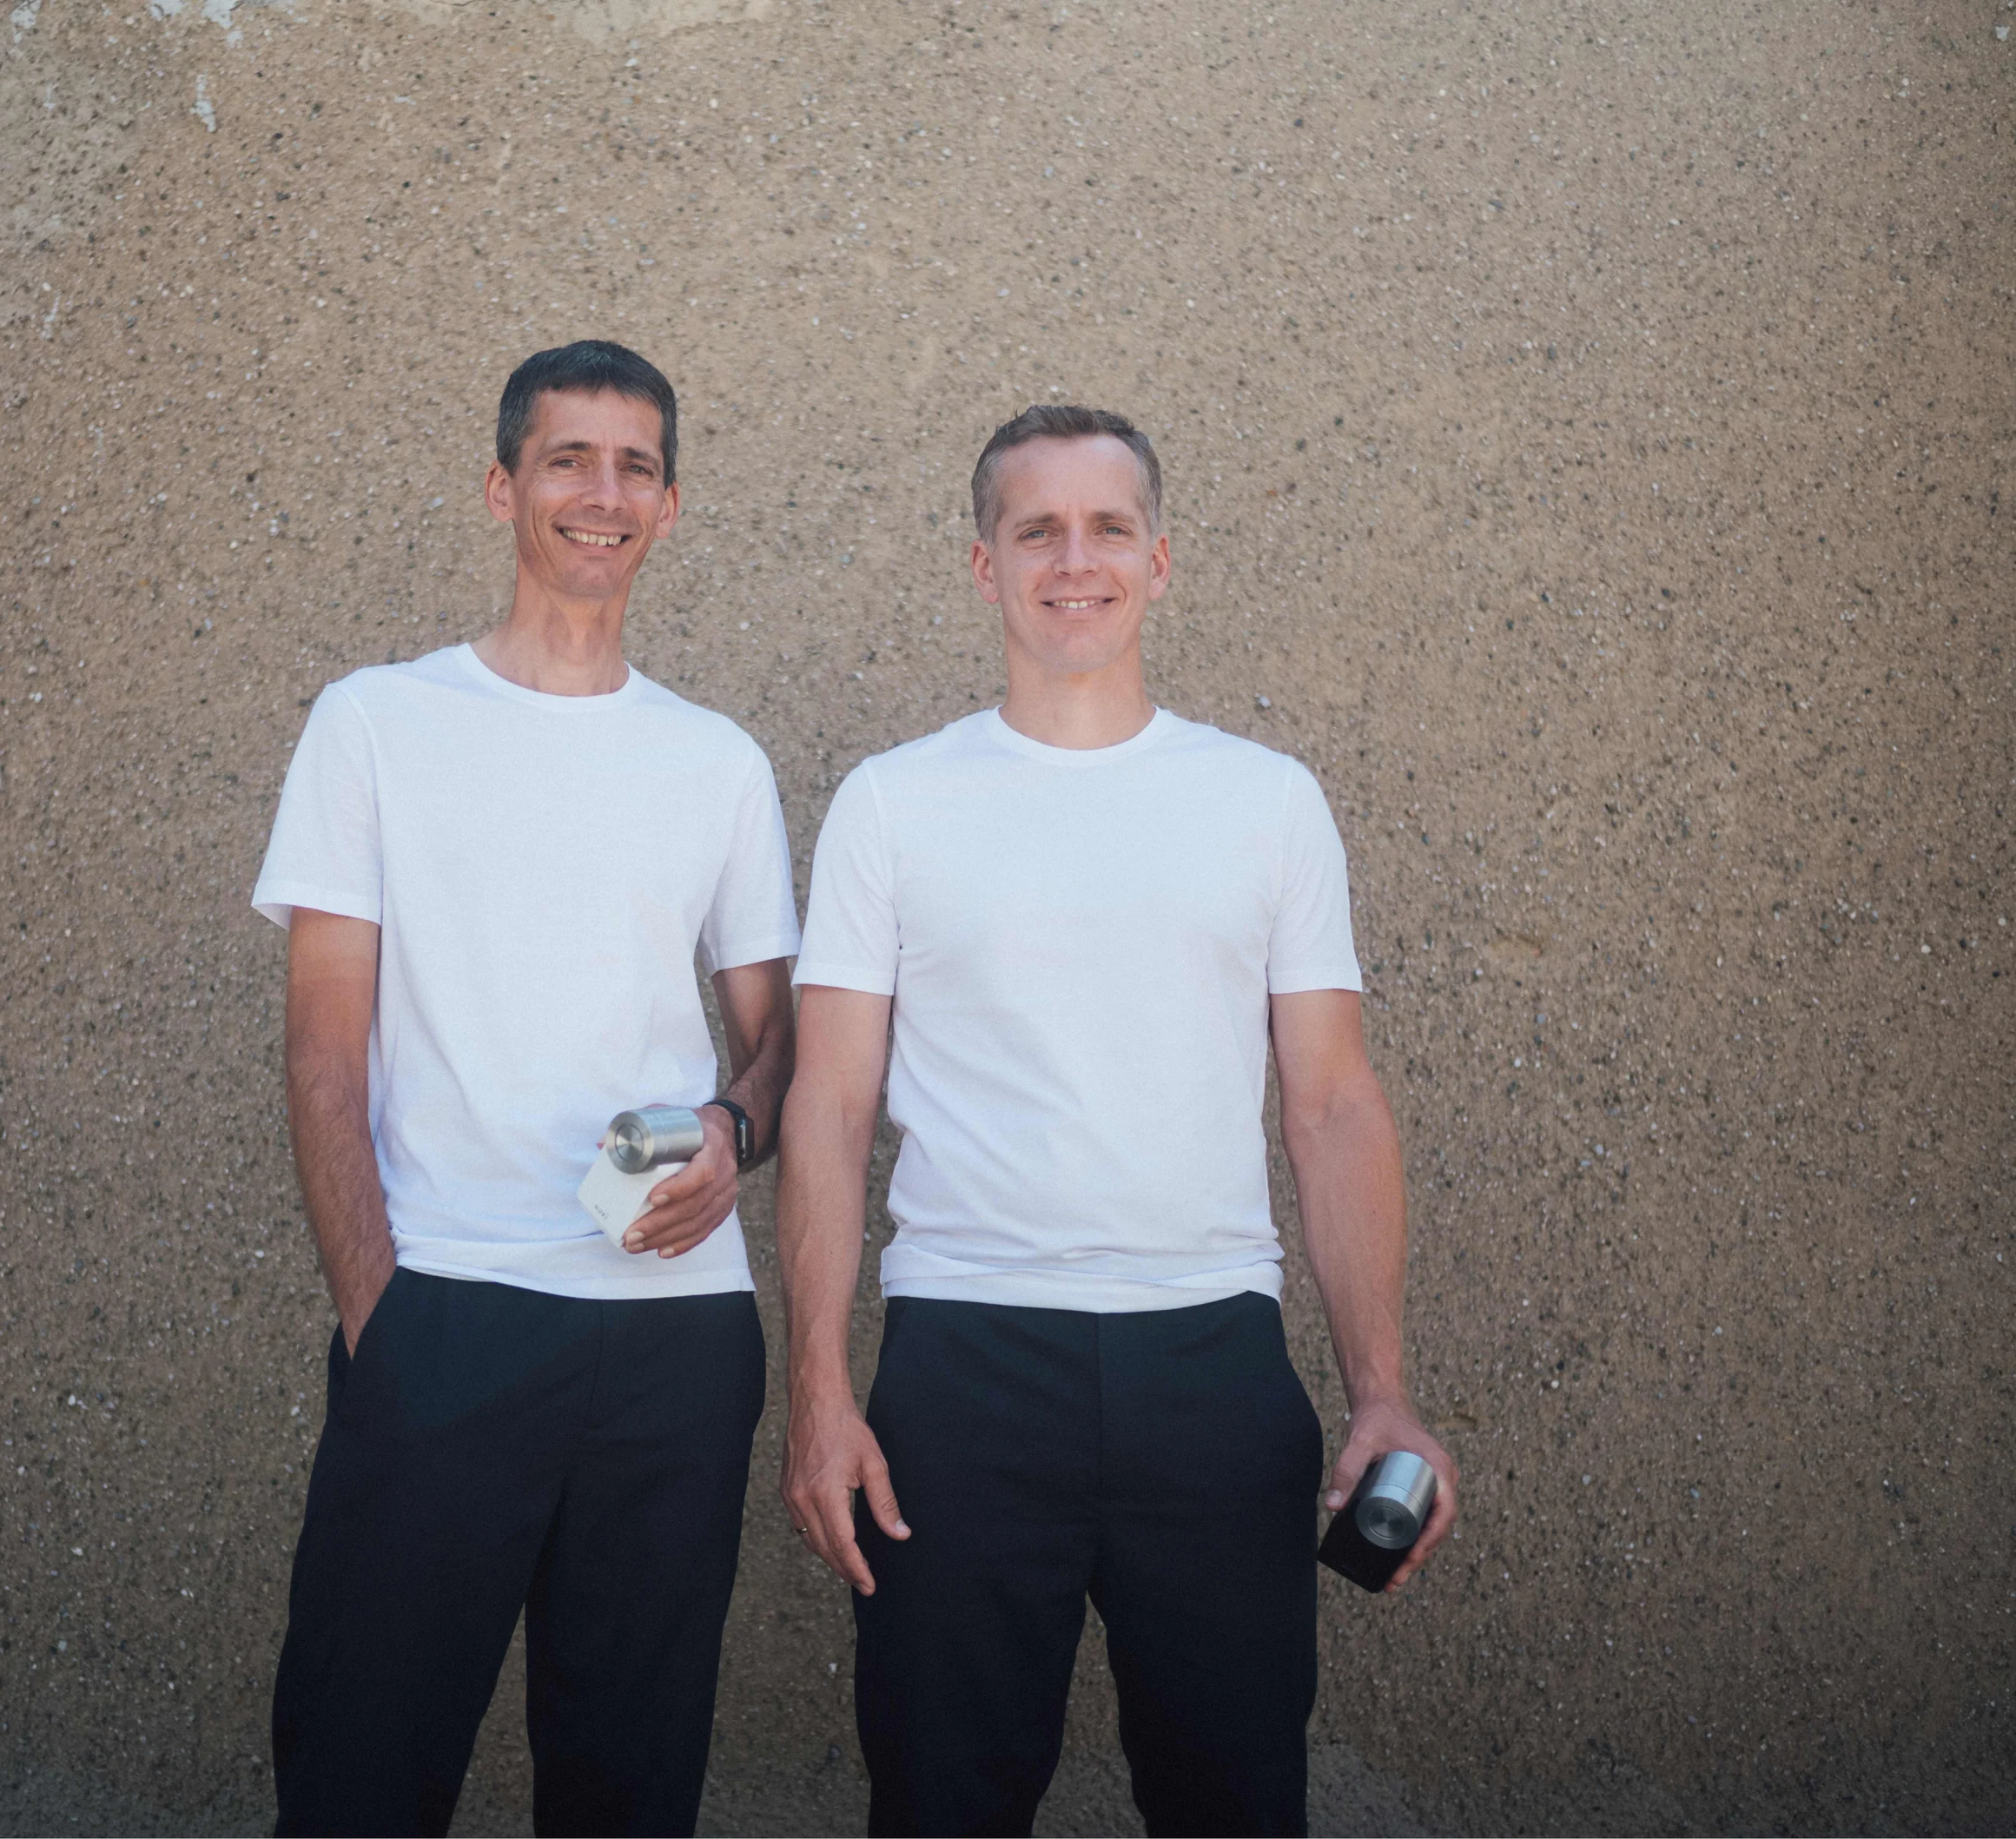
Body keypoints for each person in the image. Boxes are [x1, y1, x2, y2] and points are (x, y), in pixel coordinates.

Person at [776, 404, 1457, 1837]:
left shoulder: (1267, 804)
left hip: (1213, 1366)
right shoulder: (893, 806)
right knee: (940, 1804)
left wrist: (1382, 1388)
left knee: (1236, 1804)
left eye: (1107, 528)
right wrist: (823, 1394)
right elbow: (828, 1109)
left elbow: (1332, 1105)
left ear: (1162, 560)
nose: (1073, 560)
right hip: (962, 1371)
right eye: (1038, 529)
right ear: (982, 566)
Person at [253, 341, 799, 1837]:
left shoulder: (718, 762)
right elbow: (322, 1044)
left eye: (634, 467)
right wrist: (382, 1315)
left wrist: (736, 1131)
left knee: (628, 1791)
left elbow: (780, 1034)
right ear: (504, 487)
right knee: (361, 1778)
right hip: (447, 1313)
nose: (600, 493)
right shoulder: (375, 721)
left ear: (669, 508)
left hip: (678, 1339)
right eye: (568, 459)